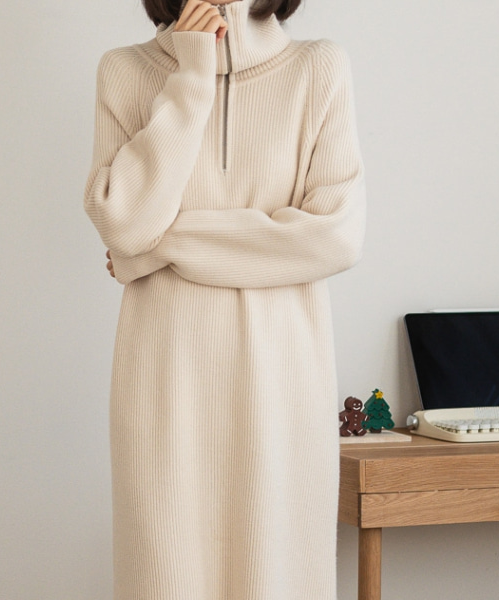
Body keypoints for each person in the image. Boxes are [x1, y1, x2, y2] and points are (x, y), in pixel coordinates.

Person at [84, 0, 365, 598]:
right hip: (166, 386)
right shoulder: (125, 71)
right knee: (166, 572)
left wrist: (158, 246)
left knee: (277, 575)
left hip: (282, 385)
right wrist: (191, 75)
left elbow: (335, 237)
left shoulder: (317, 68)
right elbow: (125, 222)